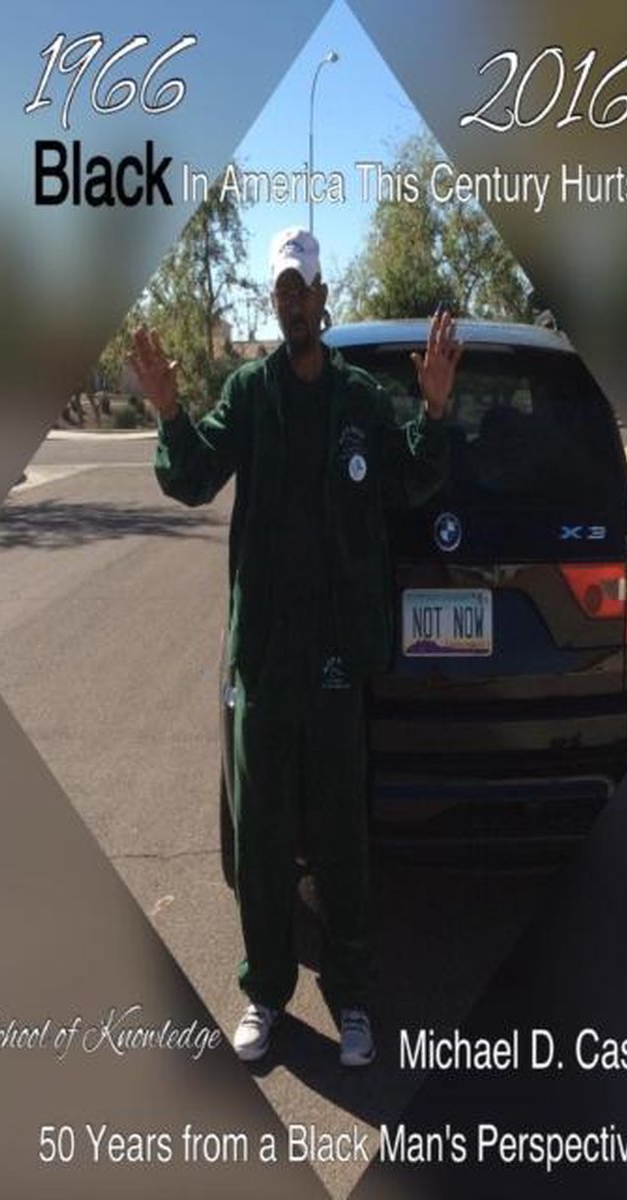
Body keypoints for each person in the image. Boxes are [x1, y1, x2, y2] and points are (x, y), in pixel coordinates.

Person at [130, 227, 462, 1067]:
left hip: (337, 655)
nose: (293, 302)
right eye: (282, 289)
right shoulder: (250, 392)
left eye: (303, 288)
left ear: (323, 297)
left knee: (342, 837)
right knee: (263, 837)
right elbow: (194, 475)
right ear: (275, 301)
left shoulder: (360, 400)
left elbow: (411, 480)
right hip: (267, 662)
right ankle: (266, 990)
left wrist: (434, 410)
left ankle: (352, 996)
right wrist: (169, 411)